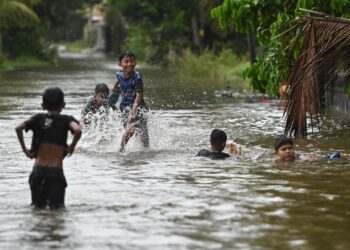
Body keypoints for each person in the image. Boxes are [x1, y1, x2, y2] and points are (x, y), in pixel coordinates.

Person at [15, 87, 82, 209]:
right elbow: (77, 130)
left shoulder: (38, 118)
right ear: (63, 105)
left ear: (43, 106)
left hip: (37, 172)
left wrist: (25, 150)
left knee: (37, 209)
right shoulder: (67, 120)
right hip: (55, 173)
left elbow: (18, 127)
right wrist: (71, 147)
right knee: (57, 212)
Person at [109, 51, 149, 152]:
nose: (129, 64)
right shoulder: (119, 74)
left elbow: (139, 94)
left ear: (135, 63)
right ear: (120, 64)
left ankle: (123, 149)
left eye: (132, 61)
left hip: (139, 108)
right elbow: (119, 80)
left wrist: (133, 111)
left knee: (142, 132)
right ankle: (122, 149)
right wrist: (115, 88)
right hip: (124, 107)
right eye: (126, 62)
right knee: (129, 130)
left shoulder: (137, 78)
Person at [274, 134, 341, 162]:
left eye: (290, 148)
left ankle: (328, 156)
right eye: (284, 149)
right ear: (277, 153)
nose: (288, 151)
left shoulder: (298, 157)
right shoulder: (275, 161)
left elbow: (306, 158)